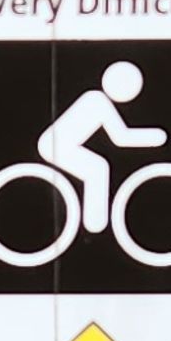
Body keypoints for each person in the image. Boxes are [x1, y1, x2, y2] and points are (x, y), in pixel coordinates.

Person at [29, 60, 149, 233]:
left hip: (57, 145)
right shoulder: (97, 100)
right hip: (56, 147)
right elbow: (120, 137)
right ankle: (94, 224)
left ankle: (93, 223)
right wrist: (156, 136)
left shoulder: (96, 98)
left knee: (98, 165)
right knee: (99, 167)